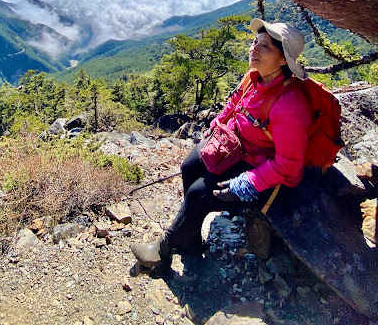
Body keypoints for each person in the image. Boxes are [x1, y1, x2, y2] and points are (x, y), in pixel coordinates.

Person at [131, 18, 312, 269]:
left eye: (265, 47)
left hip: (260, 168)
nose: (254, 49)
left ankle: (163, 250)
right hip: (235, 146)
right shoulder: (254, 77)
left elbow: (289, 167)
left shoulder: (290, 104)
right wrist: (216, 126)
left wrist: (247, 183)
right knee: (189, 167)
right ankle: (190, 239)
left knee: (198, 194)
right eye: (254, 42)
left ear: (284, 60)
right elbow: (234, 103)